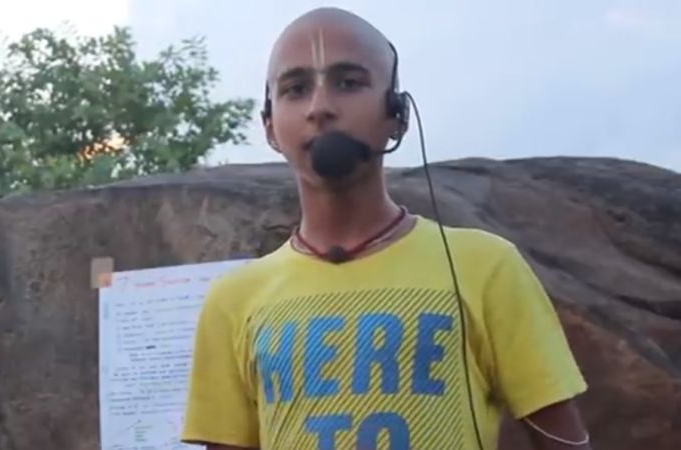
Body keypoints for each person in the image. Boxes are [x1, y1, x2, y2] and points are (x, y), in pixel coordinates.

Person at [181, 7, 590, 450]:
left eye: (348, 83)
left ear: (397, 114)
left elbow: (563, 441)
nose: (320, 108)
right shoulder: (233, 301)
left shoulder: (486, 267)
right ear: (270, 127)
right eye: (296, 89)